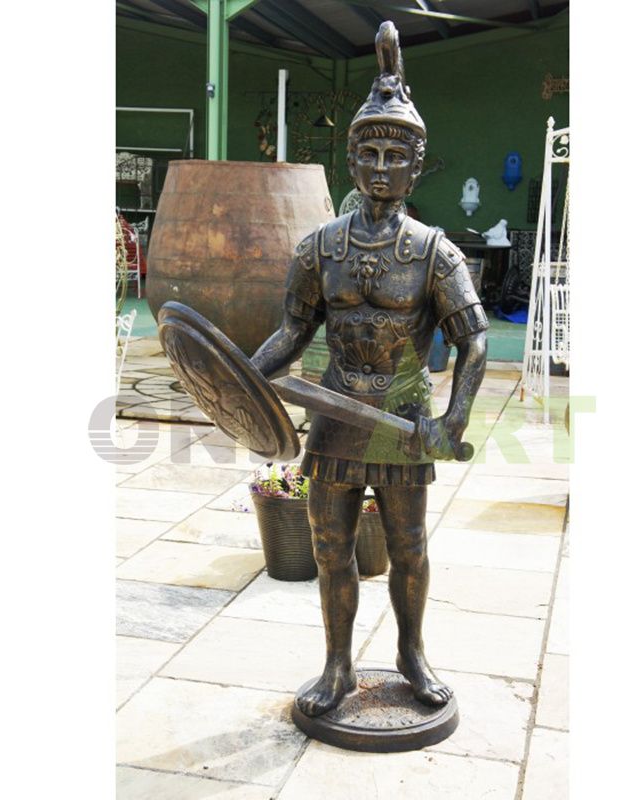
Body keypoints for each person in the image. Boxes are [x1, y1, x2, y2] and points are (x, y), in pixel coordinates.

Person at [251, 21, 488, 717]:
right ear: (352, 161)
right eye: (370, 152)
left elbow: (475, 341)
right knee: (330, 550)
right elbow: (292, 331)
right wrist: (244, 373)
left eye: (396, 156)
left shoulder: (433, 251)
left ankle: (413, 654)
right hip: (333, 418)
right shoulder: (317, 247)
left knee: (409, 547)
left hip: (399, 423)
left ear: (416, 168)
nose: (382, 166)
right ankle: (336, 665)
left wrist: (453, 417)